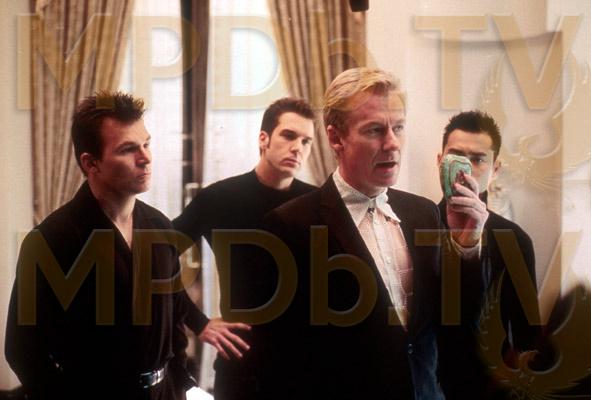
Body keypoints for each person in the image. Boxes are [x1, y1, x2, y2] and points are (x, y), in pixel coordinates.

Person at [257, 68, 488, 399]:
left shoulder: (424, 213)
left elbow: (459, 325)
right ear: (336, 138)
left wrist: (468, 245)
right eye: (375, 130)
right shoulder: (289, 225)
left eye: (398, 128)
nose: (392, 143)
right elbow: (279, 364)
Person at [5, 92, 194, 400]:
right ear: (91, 163)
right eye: (128, 149)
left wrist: (179, 385)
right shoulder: (51, 240)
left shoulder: (161, 227)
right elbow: (22, 349)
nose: (145, 157)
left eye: (146, 144)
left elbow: (175, 321)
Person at [172, 97, 316, 399]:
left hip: (306, 368)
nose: (297, 148)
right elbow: (154, 258)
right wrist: (199, 322)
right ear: (264, 139)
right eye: (289, 135)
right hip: (241, 367)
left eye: (306, 141)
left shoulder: (318, 204)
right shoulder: (219, 198)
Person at [435, 110, 541, 399]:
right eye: (456, 157)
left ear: (495, 169)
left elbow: (526, 337)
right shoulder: (411, 225)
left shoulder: (514, 239)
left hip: (488, 387)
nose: (465, 170)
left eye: (478, 160)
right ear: (439, 161)